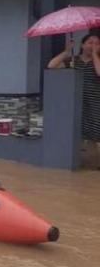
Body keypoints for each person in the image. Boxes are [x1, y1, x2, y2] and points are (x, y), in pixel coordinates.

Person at [48, 34, 100, 168]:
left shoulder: (98, 61)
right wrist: (66, 51)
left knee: (96, 131)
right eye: (90, 42)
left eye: (97, 44)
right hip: (76, 102)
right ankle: (78, 161)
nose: (93, 46)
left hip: (95, 103)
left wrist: (94, 55)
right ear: (82, 45)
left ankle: (95, 162)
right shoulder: (73, 60)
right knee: (78, 130)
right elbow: (51, 66)